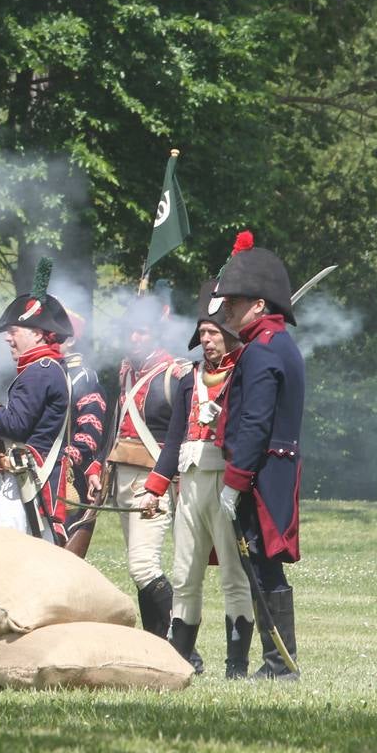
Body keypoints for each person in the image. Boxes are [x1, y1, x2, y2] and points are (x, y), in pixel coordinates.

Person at [144, 280, 255, 677]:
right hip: (188, 483)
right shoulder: (190, 378)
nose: (207, 341)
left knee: (232, 576)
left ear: (229, 335)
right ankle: (179, 662)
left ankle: (236, 666)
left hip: (226, 484)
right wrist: (156, 485)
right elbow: (174, 438)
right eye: (203, 334)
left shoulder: (244, 373)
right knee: (184, 573)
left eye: (214, 333)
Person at [211, 232, 305, 680]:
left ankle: (279, 666)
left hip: (260, 475)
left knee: (262, 568)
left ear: (260, 305)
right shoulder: (271, 345)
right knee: (261, 568)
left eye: (236, 300)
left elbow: (254, 424)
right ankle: (277, 663)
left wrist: (234, 480)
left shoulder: (262, 351)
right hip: (269, 471)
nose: (226, 308)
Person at [0, 258, 75, 544]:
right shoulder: (43, 369)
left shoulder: (40, 371)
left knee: (10, 555)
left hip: (29, 479)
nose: (8, 339)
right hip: (28, 477)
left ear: (37, 333)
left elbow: (15, 426)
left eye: (13, 332)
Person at [106, 292, 189, 637]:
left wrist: (162, 483)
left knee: (143, 566)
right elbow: (115, 427)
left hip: (152, 481)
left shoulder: (174, 375)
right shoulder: (126, 373)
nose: (134, 338)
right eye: (130, 332)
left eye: (141, 331)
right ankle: (157, 643)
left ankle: (182, 644)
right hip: (123, 478)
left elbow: (179, 438)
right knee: (137, 568)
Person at [60, 310, 107, 553]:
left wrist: (65, 459)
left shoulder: (83, 377)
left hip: (70, 472)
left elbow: (89, 432)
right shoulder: (53, 371)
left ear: (69, 340)